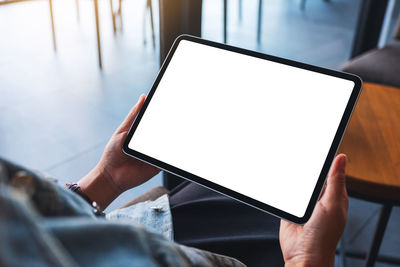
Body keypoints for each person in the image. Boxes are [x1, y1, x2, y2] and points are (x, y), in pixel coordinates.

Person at [0, 95, 348, 267]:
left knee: (233, 180)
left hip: (126, 229)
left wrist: (103, 181)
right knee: (296, 209)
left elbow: (29, 216)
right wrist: (308, 260)